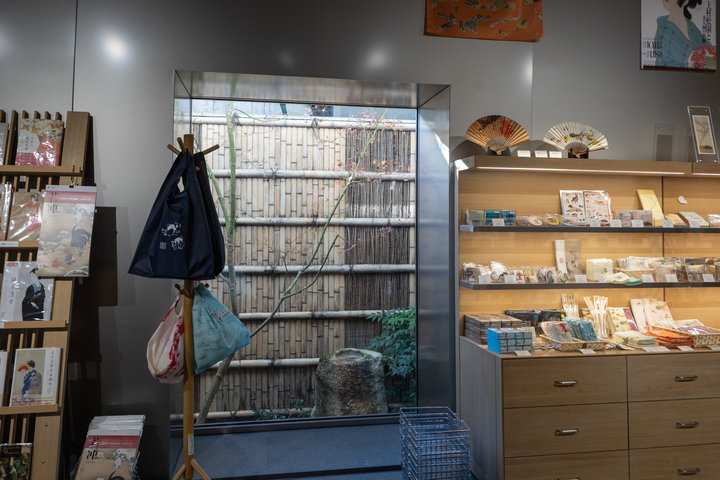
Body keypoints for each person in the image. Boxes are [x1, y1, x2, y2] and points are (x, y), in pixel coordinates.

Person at [654, 0, 708, 67]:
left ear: (685, 1)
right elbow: (661, 63)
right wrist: (687, 62)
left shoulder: (691, 26)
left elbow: (707, 45)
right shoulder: (663, 29)